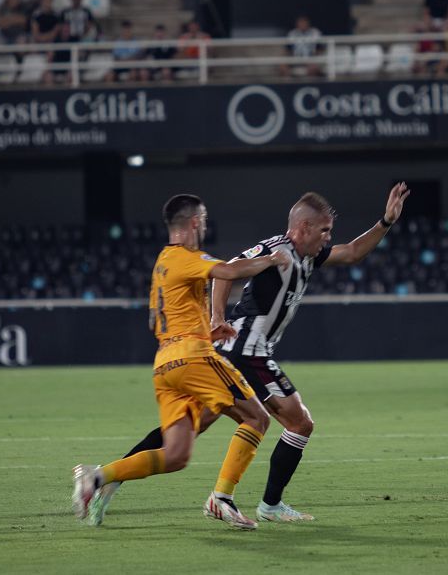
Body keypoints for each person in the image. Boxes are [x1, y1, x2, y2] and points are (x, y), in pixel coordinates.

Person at [88, 184, 412, 526]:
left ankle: (110, 478)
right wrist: (217, 316)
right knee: (299, 422)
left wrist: (386, 221)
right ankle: (255, 503)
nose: (328, 239)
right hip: (247, 348)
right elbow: (227, 270)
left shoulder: (309, 256)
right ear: (302, 229)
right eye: (324, 231)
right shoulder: (276, 249)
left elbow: (351, 252)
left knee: (192, 426)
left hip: (242, 351)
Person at [71, 194, 292, 530]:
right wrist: (272, 260)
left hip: (165, 365)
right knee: (256, 417)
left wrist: (206, 330)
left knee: (176, 455)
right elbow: (229, 271)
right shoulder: (187, 257)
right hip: (192, 358)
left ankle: (99, 477)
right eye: (202, 220)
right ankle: (222, 499)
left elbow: (154, 321)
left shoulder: (161, 263)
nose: (203, 226)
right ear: (193, 223)